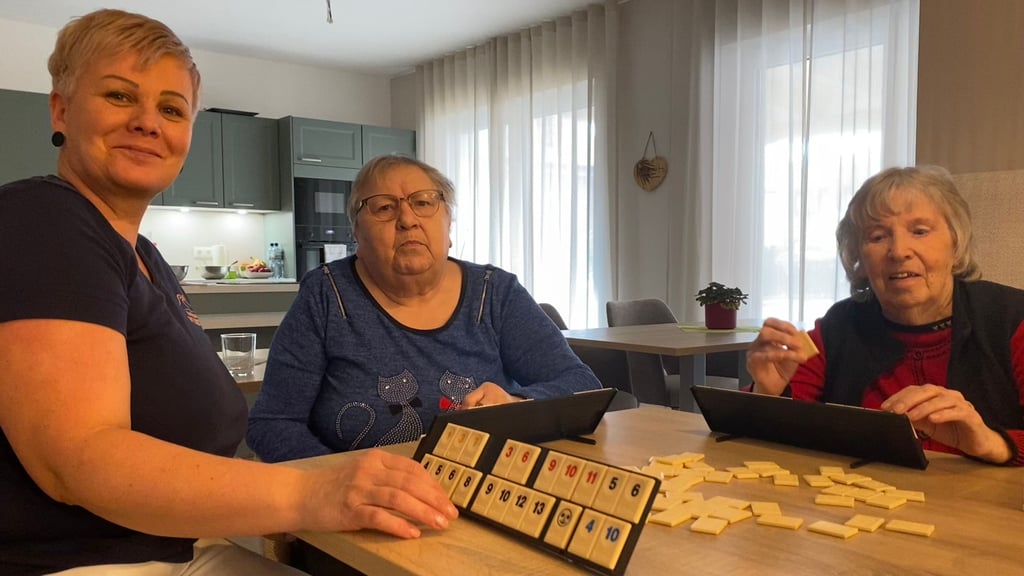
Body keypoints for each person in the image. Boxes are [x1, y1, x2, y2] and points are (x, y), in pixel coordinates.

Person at [0, 10, 456, 576]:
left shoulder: (147, 260)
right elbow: (75, 459)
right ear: (61, 110)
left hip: (174, 547)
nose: (148, 122)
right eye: (120, 97)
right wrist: (310, 493)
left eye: (171, 108)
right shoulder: (44, 219)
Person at [246, 155, 602, 462]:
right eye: (384, 207)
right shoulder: (326, 296)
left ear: (448, 224)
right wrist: (339, 479)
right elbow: (272, 423)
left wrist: (518, 402)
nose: (407, 219)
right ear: (356, 231)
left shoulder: (494, 293)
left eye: (424, 202)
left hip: (480, 489)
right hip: (364, 507)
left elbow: (582, 384)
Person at [747, 165, 1024, 466]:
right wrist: (767, 394)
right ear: (859, 258)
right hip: (863, 505)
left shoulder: (1011, 320)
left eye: (920, 231)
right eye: (877, 237)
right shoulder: (837, 328)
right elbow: (784, 440)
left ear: (955, 244)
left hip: (982, 509)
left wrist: (993, 443)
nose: (899, 251)